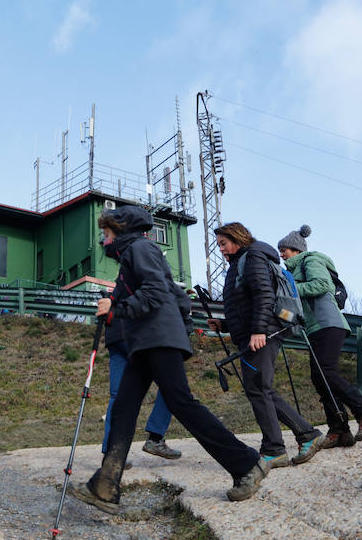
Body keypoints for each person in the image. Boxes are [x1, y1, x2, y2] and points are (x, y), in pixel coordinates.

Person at [70, 206, 267, 512]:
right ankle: (106, 486)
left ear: (121, 230)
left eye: (106, 233)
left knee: (181, 403)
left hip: (157, 338)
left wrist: (117, 309)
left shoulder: (140, 248)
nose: (103, 239)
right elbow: (174, 297)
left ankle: (246, 463)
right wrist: (117, 305)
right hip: (145, 342)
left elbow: (157, 291)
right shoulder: (131, 258)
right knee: (123, 408)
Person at [207, 222, 324, 470]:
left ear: (237, 238)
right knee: (262, 388)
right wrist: (225, 324)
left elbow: (263, 295)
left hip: (264, 333)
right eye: (219, 245)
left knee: (258, 389)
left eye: (223, 243)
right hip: (256, 332)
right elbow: (245, 305)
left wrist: (259, 330)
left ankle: (275, 449)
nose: (221, 250)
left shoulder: (253, 257)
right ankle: (306, 435)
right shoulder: (240, 263)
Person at [277, 225, 362, 447]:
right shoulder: (293, 270)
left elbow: (322, 284)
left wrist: (292, 289)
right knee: (320, 378)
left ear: (296, 250)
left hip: (328, 323)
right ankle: (339, 430)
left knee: (326, 372)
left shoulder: (311, 260)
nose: (281, 254)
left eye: (284, 250)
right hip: (316, 327)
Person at [102, 317, 182, 466]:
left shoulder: (115, 292)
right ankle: (155, 437)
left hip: (114, 334)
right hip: (138, 332)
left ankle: (111, 454)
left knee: (117, 395)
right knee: (170, 385)